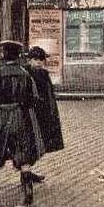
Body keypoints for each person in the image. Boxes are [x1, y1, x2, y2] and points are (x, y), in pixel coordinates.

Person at [0, 40, 44, 206]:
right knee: (22, 153)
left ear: (4, 55)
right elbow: (33, 98)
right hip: (20, 116)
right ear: (18, 56)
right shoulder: (26, 74)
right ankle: (28, 193)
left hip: (1, 116)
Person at [24, 46, 64, 184]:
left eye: (42, 59)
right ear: (29, 60)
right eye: (36, 59)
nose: (39, 62)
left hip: (43, 114)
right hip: (29, 114)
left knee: (40, 144)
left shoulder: (44, 74)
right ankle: (26, 173)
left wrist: (52, 112)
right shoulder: (25, 73)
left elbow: (49, 94)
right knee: (30, 144)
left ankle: (27, 172)